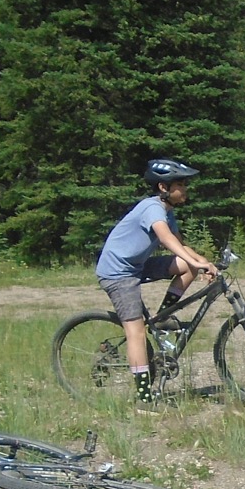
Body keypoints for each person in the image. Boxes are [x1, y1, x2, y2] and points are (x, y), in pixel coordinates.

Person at [95, 158, 218, 412]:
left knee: (189, 266)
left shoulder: (167, 211)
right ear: (163, 187)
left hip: (137, 266)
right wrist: (192, 259)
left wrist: (203, 262)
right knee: (136, 332)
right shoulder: (152, 208)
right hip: (118, 274)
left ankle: (162, 317)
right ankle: (144, 399)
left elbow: (180, 244)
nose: (185, 189)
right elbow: (164, 238)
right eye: (180, 185)